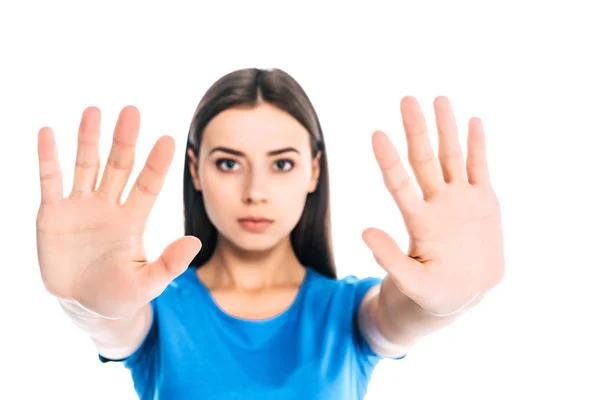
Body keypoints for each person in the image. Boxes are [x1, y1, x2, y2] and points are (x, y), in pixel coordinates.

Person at [35, 68, 505, 399]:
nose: (254, 191)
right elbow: (114, 323)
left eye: (281, 163)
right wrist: (87, 305)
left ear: (313, 171)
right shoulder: (154, 308)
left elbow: (399, 317)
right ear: (195, 171)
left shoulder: (349, 313)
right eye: (228, 163)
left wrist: (447, 302)